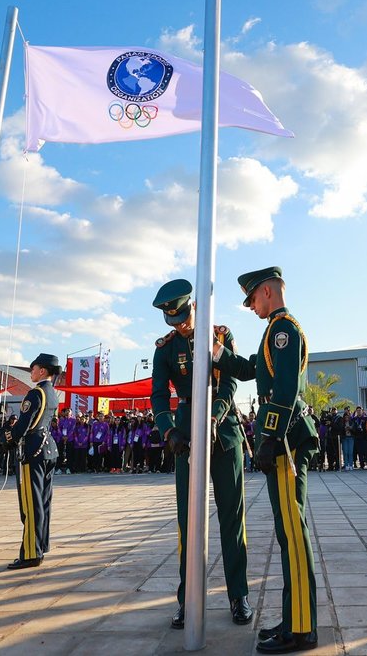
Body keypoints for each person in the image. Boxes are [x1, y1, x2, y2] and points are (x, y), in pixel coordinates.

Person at [214, 266, 319, 653]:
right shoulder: (274, 330)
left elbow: (286, 389)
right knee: (287, 532)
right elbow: (249, 370)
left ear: (268, 292)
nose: (251, 306)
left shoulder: (283, 329)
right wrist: (218, 353)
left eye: (253, 299)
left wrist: (271, 437)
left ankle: (302, 628)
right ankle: (293, 618)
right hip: (282, 441)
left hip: (286, 444)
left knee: (293, 532)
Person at [149, 278, 254, 630]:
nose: (179, 325)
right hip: (186, 435)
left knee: (232, 517)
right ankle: (188, 599)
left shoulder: (219, 336)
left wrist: (213, 417)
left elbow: (230, 384)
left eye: (183, 318)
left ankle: (238, 595)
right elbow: (158, 395)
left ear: (193, 306)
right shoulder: (165, 348)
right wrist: (169, 430)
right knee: (187, 521)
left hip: (223, 433)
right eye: (173, 320)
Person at [2, 353, 60, 569]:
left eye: (33, 369)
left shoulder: (35, 393)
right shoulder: (52, 393)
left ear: (42, 370)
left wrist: (6, 434)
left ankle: (30, 553)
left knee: (31, 503)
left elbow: (22, 427)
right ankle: (41, 545)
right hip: (48, 449)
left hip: (33, 450)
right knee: (43, 501)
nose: (31, 373)